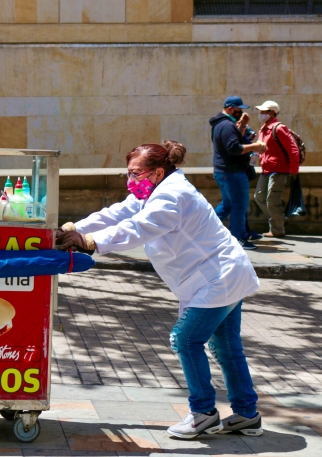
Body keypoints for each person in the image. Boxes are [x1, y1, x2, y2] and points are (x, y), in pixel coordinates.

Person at [56, 140, 263, 439]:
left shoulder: (171, 196)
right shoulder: (154, 190)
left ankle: (203, 413)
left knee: (186, 340)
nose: (130, 180)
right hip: (220, 275)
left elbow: (138, 228)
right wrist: (71, 229)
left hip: (219, 277)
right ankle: (247, 414)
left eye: (135, 173)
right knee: (227, 348)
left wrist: (88, 242)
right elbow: (116, 213)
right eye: (128, 173)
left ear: (157, 171)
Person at [209, 96, 267, 250]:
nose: (240, 112)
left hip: (224, 172)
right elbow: (234, 148)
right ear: (230, 108)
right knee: (239, 206)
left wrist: (242, 127)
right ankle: (238, 238)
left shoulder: (220, 124)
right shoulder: (227, 125)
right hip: (232, 173)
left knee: (228, 205)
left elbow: (232, 142)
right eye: (238, 109)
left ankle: (206, 230)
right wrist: (255, 147)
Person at [253, 100, 300, 238]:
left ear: (272, 113)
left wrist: (294, 169)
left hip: (279, 169)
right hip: (266, 169)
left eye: (264, 111)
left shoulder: (279, 128)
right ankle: (280, 219)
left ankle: (277, 230)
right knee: (259, 197)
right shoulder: (262, 129)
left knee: (272, 200)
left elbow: (293, 149)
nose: (261, 114)